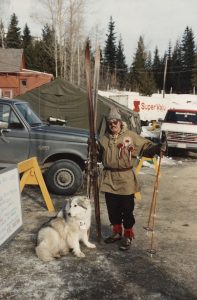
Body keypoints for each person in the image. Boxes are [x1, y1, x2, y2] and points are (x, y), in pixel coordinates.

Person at [98, 106, 166, 251]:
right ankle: (117, 233)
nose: (113, 125)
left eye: (115, 122)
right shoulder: (103, 138)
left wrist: (158, 147)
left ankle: (128, 235)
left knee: (127, 209)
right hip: (109, 177)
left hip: (126, 178)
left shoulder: (131, 136)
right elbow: (98, 155)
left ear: (120, 122)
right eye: (110, 123)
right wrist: (91, 148)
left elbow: (146, 148)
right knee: (112, 209)